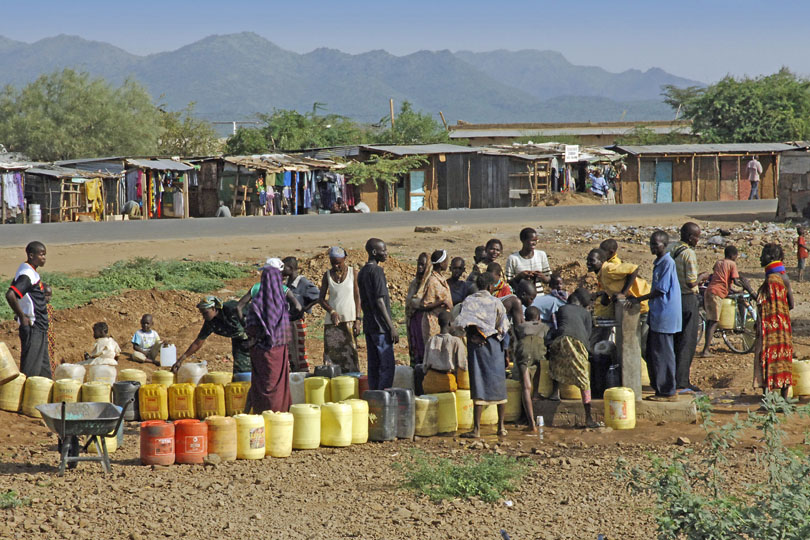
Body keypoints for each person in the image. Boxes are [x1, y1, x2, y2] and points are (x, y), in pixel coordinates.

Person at [453, 272, 510, 438]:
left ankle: (476, 429)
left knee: (478, 383)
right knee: (498, 383)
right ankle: (501, 427)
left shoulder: (469, 301)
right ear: (490, 287)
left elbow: (459, 323)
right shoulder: (496, 302)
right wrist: (504, 350)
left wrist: (471, 335)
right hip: (494, 347)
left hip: (476, 347)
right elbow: (504, 327)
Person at [629, 230, 682, 401]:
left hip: (665, 314)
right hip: (658, 313)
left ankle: (667, 391)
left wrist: (639, 299)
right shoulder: (659, 263)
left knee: (664, 353)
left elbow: (660, 290)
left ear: (664, 245)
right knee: (654, 352)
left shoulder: (667, 263)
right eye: (651, 243)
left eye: (656, 244)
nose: (653, 247)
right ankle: (660, 388)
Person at [546, 288, 598, 427]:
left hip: (561, 339)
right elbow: (587, 334)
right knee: (583, 379)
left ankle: (554, 392)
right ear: (583, 303)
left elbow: (559, 327)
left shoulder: (562, 309)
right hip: (578, 342)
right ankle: (588, 417)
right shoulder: (586, 313)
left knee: (555, 360)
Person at [245, 267, 292, 413]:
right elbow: (295, 310)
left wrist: (259, 336)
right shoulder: (281, 302)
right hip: (279, 349)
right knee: (278, 386)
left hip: (261, 350)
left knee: (261, 384)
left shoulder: (257, 303)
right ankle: (280, 416)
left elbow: (251, 327)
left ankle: (261, 413)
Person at [587, 247, 651, 349]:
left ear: (601, 261)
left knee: (641, 345)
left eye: (592, 260)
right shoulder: (601, 275)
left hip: (644, 302)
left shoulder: (608, 269)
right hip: (635, 307)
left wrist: (623, 293)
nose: (588, 263)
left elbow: (634, 269)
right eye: (587, 260)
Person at [357, 238, 399, 390]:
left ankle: (374, 396)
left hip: (369, 326)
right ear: (374, 252)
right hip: (380, 327)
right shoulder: (377, 271)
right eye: (383, 250)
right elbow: (380, 301)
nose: (386, 253)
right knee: (386, 366)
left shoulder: (362, 272)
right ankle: (383, 398)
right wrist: (391, 327)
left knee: (373, 365)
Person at [173, 296, 252, 376]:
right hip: (240, 342)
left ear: (214, 308)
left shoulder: (231, 308)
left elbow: (257, 314)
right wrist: (181, 359)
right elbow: (198, 343)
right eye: (202, 313)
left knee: (261, 365)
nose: (203, 316)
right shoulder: (210, 323)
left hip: (258, 337)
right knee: (241, 372)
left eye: (205, 313)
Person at [754, 243, 794, 399]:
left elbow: (764, 303)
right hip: (783, 326)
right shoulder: (784, 276)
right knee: (783, 358)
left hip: (771, 328)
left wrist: (749, 288)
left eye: (763, 254)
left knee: (768, 359)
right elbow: (791, 304)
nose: (760, 257)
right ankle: (783, 400)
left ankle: (767, 401)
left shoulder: (771, 279)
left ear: (770, 258)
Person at [699, 246, 755, 357]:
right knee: (713, 322)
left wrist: (734, 289)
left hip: (710, 291)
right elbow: (735, 280)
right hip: (717, 293)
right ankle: (705, 351)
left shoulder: (719, 262)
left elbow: (721, 279)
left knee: (711, 321)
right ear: (733, 255)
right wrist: (745, 284)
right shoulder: (732, 264)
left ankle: (706, 348)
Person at [6, 241, 50, 378]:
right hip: (33, 326)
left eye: (45, 255)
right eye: (41, 255)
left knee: (44, 372)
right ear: (31, 255)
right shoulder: (27, 274)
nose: (44, 258)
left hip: (40, 326)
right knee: (30, 371)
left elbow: (28, 296)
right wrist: (22, 315)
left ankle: (47, 399)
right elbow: (11, 294)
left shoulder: (29, 272)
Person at [667, 222, 701, 393]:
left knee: (674, 339)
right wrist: (703, 277)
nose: (698, 241)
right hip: (687, 299)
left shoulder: (670, 248)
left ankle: (671, 377)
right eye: (697, 237)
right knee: (687, 341)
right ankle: (682, 381)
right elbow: (691, 282)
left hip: (672, 299)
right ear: (690, 237)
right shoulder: (689, 254)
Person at [318, 247, 361, 373]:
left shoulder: (353, 273)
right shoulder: (327, 275)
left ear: (345, 259)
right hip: (332, 323)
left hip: (349, 320)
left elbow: (357, 297)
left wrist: (358, 320)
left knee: (350, 356)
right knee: (332, 357)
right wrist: (332, 311)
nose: (336, 265)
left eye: (339, 262)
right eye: (333, 263)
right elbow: (321, 299)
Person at [282, 256, 321, 372]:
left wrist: (305, 308)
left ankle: (303, 374)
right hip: (288, 321)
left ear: (291, 268)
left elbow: (319, 297)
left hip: (297, 322)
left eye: (284, 267)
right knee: (291, 352)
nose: (282, 270)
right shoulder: (288, 283)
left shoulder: (303, 283)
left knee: (299, 350)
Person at [514, 306, 548, 432]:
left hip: (524, 351)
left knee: (525, 387)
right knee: (538, 364)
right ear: (538, 317)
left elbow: (518, 337)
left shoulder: (520, 327)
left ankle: (531, 424)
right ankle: (536, 393)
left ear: (525, 317)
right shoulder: (544, 326)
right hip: (539, 350)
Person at [419, 311, 467, 394]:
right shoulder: (456, 341)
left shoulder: (431, 340)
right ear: (449, 324)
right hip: (447, 383)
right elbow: (463, 365)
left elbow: (425, 366)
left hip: (430, 383)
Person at [417, 250, 454, 341]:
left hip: (442, 322)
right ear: (441, 264)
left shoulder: (441, 278)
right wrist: (442, 302)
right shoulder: (433, 281)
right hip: (433, 323)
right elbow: (424, 305)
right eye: (446, 261)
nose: (447, 264)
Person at [504, 227, 551, 294]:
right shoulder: (513, 258)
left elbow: (548, 279)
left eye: (536, 240)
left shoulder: (541, 255)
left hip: (539, 295)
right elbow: (508, 283)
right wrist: (519, 277)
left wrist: (542, 276)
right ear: (523, 240)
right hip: (522, 297)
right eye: (532, 240)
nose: (534, 243)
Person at [405, 253, 429, 367]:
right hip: (414, 321)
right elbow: (410, 302)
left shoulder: (430, 283)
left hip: (425, 322)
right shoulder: (414, 283)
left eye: (423, 265)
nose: (420, 267)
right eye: (419, 264)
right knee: (416, 348)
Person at [44, 285, 57, 376]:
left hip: (50, 337)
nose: (49, 298)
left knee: (50, 356)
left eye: (50, 295)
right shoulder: (38, 308)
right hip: (43, 337)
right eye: (47, 295)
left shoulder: (49, 308)